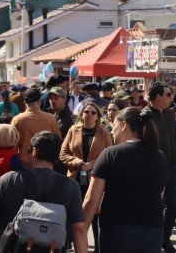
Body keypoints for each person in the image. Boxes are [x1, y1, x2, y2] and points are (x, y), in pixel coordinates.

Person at [0, 131, 88, 252]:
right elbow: (79, 230)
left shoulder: (9, 179)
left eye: (29, 150)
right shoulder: (71, 186)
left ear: (34, 151)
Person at [83, 107, 169, 252]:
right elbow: (160, 194)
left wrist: (80, 231)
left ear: (123, 125)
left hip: (116, 229)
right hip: (152, 230)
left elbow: (91, 199)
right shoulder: (160, 156)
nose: (111, 131)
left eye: (114, 125)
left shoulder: (110, 154)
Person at [60, 100, 113, 251]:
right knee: (72, 214)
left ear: (97, 117)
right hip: (75, 178)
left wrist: (94, 163)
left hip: (96, 180)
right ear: (81, 114)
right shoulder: (73, 130)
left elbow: (109, 155)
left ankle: (98, 247)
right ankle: (70, 244)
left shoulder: (104, 133)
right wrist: (77, 162)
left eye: (93, 112)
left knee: (96, 215)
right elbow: (63, 154)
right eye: (86, 112)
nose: (89, 115)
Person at [142, 82, 176, 253]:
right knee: (154, 205)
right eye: (168, 95)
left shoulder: (169, 114)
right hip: (153, 168)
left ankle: (164, 238)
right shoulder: (144, 116)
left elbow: (175, 137)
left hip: (173, 166)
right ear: (158, 96)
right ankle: (152, 239)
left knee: (173, 204)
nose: (171, 98)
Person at [11, 88, 62, 167]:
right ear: (39, 101)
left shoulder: (17, 119)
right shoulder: (51, 118)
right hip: (47, 165)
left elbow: (13, 146)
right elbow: (58, 141)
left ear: (25, 103)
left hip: (25, 165)